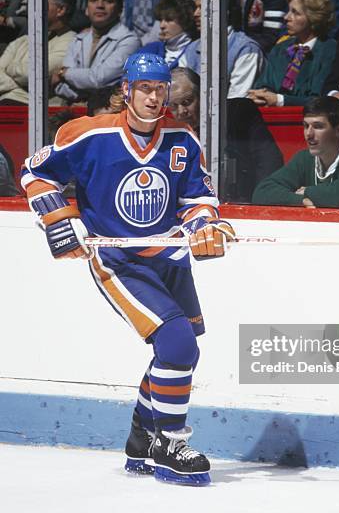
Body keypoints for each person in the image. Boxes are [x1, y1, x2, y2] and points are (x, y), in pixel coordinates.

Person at [21, 53, 235, 486]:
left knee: (176, 350)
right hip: (116, 259)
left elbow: (195, 199)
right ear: (127, 91)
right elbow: (34, 173)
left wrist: (204, 227)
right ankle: (169, 443)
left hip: (167, 258)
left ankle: (141, 437)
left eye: (161, 89)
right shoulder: (87, 135)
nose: (155, 97)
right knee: (177, 342)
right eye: (146, 89)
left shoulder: (182, 138)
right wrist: (60, 219)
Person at [170, 67, 284, 200]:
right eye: (173, 106)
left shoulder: (238, 113)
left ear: (203, 94)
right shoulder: (170, 133)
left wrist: (259, 203)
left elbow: (269, 162)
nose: (181, 111)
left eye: (187, 102)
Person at [252, 96, 339, 207]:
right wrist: (301, 201)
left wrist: (307, 191)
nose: (308, 134)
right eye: (305, 126)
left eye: (318, 127)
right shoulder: (304, 158)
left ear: (338, 130)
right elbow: (262, 192)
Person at [248, 0, 337, 107]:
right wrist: (262, 95)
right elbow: (265, 84)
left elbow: (319, 99)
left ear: (314, 17)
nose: (286, 17)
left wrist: (279, 100)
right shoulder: (280, 48)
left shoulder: (329, 49)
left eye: (295, 13)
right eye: (288, 11)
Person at [53, 0, 140, 103]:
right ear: (87, 9)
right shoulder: (78, 39)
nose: (100, 5)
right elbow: (61, 87)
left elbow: (99, 79)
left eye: (108, 0)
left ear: (120, 9)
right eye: (94, 0)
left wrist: (64, 73)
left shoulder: (130, 41)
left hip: (109, 114)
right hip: (78, 112)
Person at [0, 0, 76, 105]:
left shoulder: (72, 42)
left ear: (61, 10)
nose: (34, 7)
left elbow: (33, 74)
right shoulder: (23, 40)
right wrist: (17, 86)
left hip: (36, 112)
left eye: (41, 2)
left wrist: (10, 68)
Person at [181, 0, 265, 98]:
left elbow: (237, 101)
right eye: (196, 7)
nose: (196, 14)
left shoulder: (246, 49)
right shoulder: (191, 49)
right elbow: (181, 94)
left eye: (203, 8)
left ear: (223, 11)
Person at [134, 0, 196, 67]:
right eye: (160, 20)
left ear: (185, 20)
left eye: (169, 20)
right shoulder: (148, 50)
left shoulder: (196, 52)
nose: (161, 26)